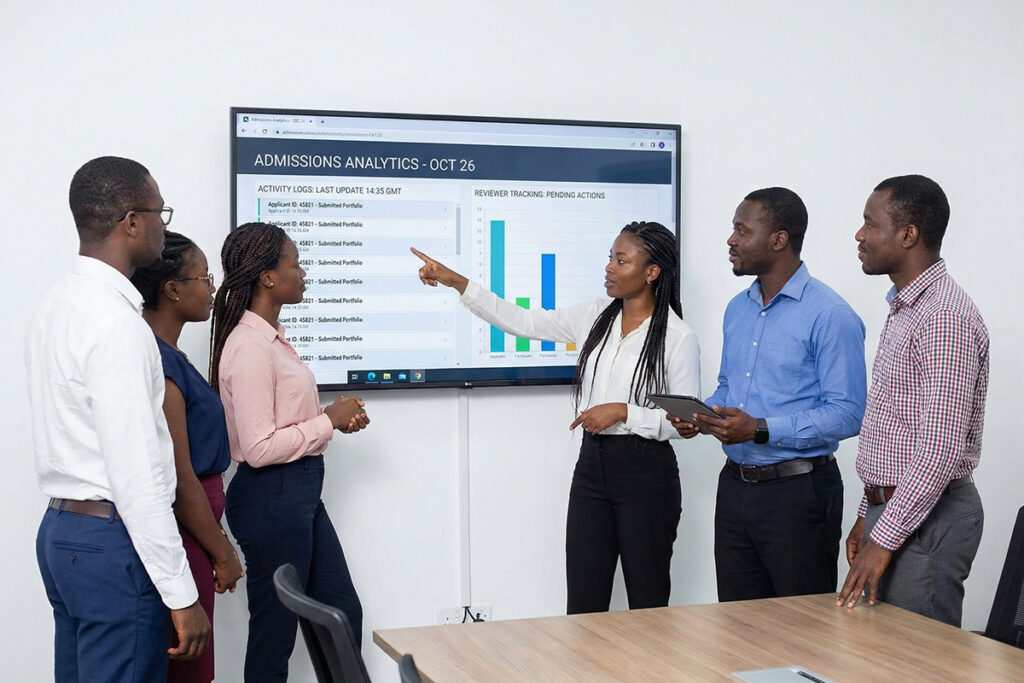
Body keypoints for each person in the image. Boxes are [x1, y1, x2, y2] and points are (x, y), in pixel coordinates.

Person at [413, 221, 701, 613]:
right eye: (610, 258)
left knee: (648, 606)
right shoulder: (595, 316)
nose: (609, 268)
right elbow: (522, 321)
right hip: (592, 469)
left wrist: (624, 412)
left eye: (621, 260)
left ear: (652, 272)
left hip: (647, 475)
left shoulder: (678, 338)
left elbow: (685, 424)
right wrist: (457, 282)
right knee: (583, 602)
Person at [26, 156, 210, 682]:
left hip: (63, 533)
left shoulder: (55, 305)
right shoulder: (116, 326)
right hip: (111, 541)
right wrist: (182, 595)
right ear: (132, 221)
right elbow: (138, 474)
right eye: (160, 213)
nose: (163, 225)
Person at [669, 187, 866, 601]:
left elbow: (848, 413)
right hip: (736, 490)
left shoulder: (831, 316)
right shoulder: (737, 309)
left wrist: (760, 429)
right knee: (738, 628)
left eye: (742, 230)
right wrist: (704, 417)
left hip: (798, 495)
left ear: (779, 239)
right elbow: (730, 386)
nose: (731, 240)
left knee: (801, 631)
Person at [211, 221, 370, 681]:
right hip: (272, 495)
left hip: (296, 492)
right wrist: (327, 421)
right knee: (275, 634)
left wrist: (329, 419)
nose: (303, 273)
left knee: (340, 613)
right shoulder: (251, 347)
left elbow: (276, 424)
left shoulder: (271, 339)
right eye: (295, 264)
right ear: (267, 277)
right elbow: (259, 448)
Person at [837, 175, 988, 627]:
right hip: (900, 510)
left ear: (908, 235)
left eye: (870, 223)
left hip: (931, 521)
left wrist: (883, 540)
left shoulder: (943, 317)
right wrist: (869, 511)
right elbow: (893, 425)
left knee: (917, 666)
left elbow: (939, 449)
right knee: (878, 657)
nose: (859, 235)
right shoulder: (909, 307)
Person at [130, 231, 245, 682]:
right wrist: (224, 553)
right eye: (204, 277)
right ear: (173, 289)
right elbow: (180, 479)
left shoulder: (173, 354)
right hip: (185, 534)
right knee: (187, 667)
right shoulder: (159, 361)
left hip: (197, 531)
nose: (213, 288)